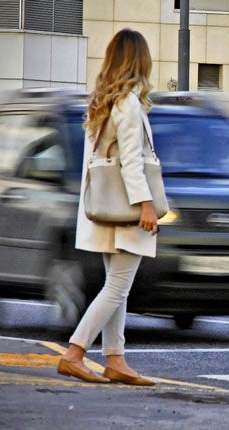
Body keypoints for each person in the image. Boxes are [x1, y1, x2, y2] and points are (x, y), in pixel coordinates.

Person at [57, 29, 158, 386]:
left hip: (106, 207)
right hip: (127, 208)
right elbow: (132, 162)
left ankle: (115, 358)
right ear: (139, 60)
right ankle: (75, 352)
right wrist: (146, 205)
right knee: (117, 286)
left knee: (116, 286)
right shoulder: (128, 103)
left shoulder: (103, 100)